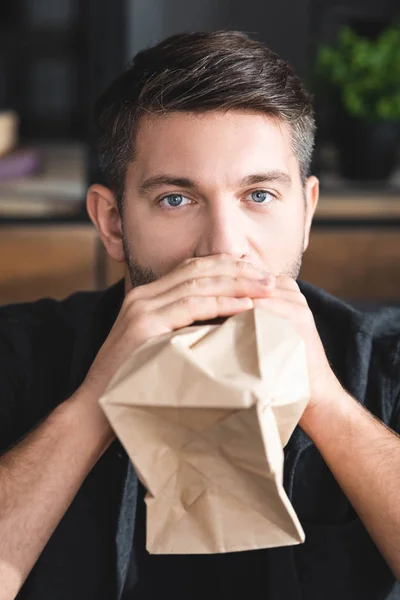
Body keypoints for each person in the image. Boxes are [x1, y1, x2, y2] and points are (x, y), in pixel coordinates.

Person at [0, 30, 399, 600]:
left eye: (258, 195)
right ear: (112, 222)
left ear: (306, 214)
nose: (222, 246)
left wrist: (331, 407)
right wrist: (93, 405)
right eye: (176, 199)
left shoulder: (386, 362)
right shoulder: (16, 354)